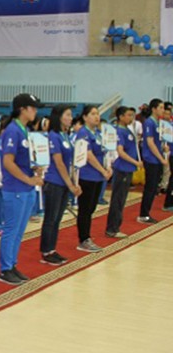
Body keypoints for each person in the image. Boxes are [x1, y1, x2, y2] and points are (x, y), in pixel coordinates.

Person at [0, 93, 44, 285]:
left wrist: (34, 168)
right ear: (22, 109)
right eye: (32, 107)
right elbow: (8, 162)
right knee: (11, 229)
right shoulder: (12, 130)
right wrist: (28, 179)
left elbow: (22, 159)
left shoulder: (25, 130)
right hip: (15, 187)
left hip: (26, 187)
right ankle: (5, 269)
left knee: (19, 230)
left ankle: (12, 264)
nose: (35, 111)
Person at [39, 105, 81, 265]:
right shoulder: (54, 136)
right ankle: (46, 251)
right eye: (67, 115)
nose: (71, 118)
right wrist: (70, 185)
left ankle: (52, 249)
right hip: (54, 181)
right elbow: (59, 162)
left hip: (64, 182)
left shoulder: (65, 136)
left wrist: (73, 182)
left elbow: (70, 162)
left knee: (57, 219)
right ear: (59, 117)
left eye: (71, 115)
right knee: (50, 218)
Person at [75, 106, 111, 252]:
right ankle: (84, 239)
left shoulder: (97, 133)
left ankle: (86, 237)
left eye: (98, 114)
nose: (97, 117)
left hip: (98, 176)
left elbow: (104, 152)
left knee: (91, 208)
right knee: (85, 209)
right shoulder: (83, 133)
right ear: (85, 117)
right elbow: (88, 155)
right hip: (87, 176)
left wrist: (108, 167)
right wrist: (102, 170)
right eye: (93, 114)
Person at [107, 106, 142, 238]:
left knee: (121, 199)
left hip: (128, 169)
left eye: (132, 115)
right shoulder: (120, 131)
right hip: (122, 168)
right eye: (128, 115)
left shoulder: (128, 130)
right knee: (118, 199)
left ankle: (115, 226)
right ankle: (112, 228)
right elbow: (120, 151)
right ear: (121, 117)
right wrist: (135, 162)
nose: (131, 118)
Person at [139, 98, 166, 224]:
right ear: (154, 109)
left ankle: (146, 213)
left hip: (157, 159)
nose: (163, 110)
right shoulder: (149, 122)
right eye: (160, 107)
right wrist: (161, 158)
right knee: (150, 187)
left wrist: (163, 148)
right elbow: (150, 142)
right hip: (151, 159)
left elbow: (157, 141)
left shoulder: (158, 122)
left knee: (154, 187)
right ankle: (143, 214)